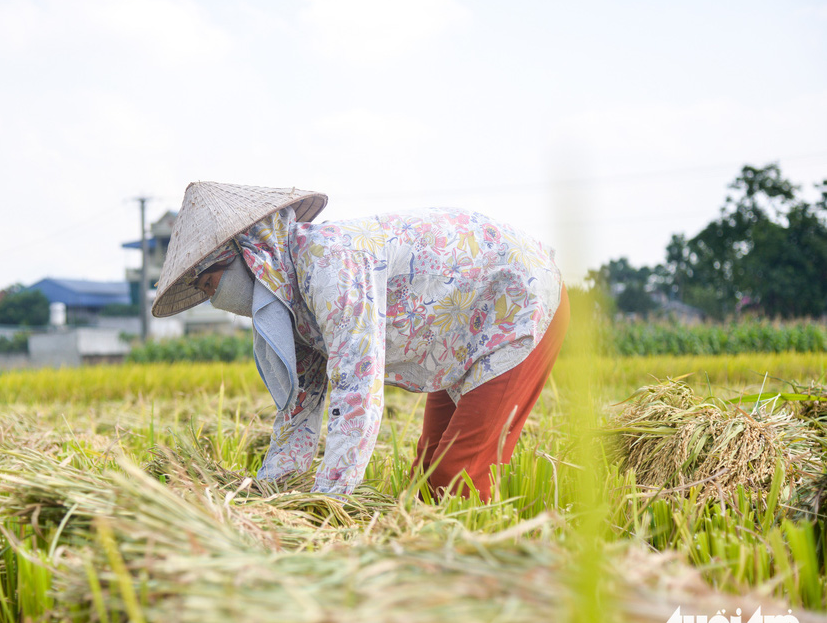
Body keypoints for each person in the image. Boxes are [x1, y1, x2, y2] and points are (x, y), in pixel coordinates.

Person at [151, 181, 568, 500]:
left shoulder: (328, 262)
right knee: (427, 475)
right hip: (456, 334)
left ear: (249, 255)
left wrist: (331, 501)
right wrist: (269, 496)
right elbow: (301, 406)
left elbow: (357, 388)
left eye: (211, 285)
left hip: (516, 299)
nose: (214, 301)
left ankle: (474, 584)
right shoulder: (291, 300)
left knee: (455, 475)